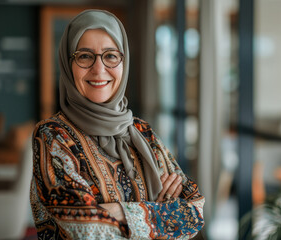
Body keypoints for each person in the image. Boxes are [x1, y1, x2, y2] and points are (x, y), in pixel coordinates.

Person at [30, 9, 204, 239]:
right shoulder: (53, 134)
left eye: (111, 55)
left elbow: (194, 211)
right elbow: (85, 230)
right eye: (84, 56)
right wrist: (160, 212)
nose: (99, 69)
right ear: (67, 63)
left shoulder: (142, 131)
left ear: (124, 61)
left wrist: (119, 211)